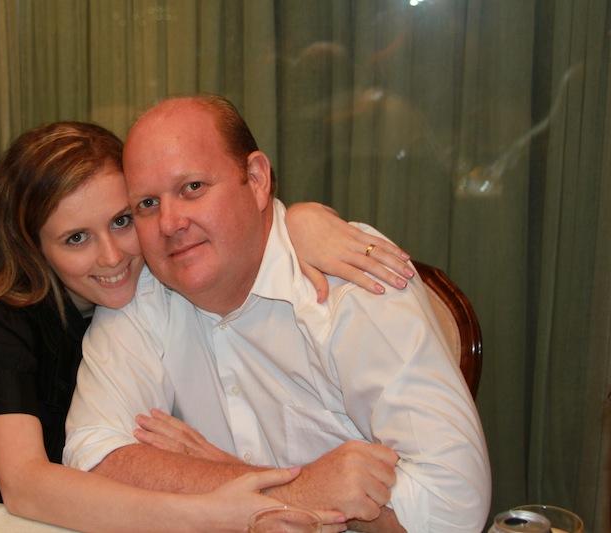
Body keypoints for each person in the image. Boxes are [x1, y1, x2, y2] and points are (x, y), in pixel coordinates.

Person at [0, 120, 411, 531]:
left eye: (123, 220)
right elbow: (25, 486)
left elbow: (246, 231)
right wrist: (215, 513)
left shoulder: (158, 273)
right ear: (31, 245)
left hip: (95, 509)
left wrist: (300, 221)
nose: (112, 257)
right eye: (76, 238)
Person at [63, 96, 492, 532]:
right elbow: (91, 457)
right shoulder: (141, 294)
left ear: (256, 179)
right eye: (147, 205)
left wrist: (222, 479)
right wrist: (295, 491)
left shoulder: (351, 282)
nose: (170, 223)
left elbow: (452, 509)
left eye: (192, 188)